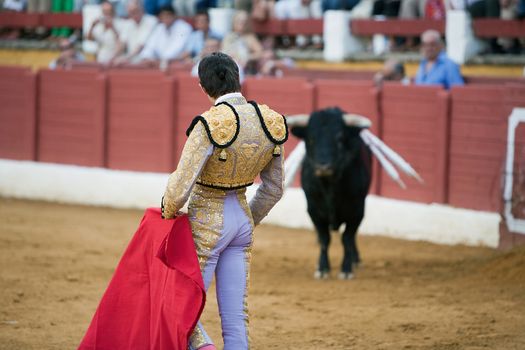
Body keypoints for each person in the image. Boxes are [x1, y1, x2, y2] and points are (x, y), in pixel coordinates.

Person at [162, 52, 287, 350]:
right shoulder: (270, 121)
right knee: (235, 316)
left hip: (206, 224)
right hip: (242, 222)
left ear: (204, 87)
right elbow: (274, 188)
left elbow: (180, 187)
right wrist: (247, 219)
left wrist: (166, 211)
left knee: (180, 313)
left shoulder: (209, 124)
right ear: (237, 78)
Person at [114, 0, 157, 65]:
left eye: (135, 11)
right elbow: (122, 43)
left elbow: (141, 45)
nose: (133, 14)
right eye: (131, 12)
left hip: (148, 62)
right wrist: (113, 57)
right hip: (132, 61)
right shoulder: (128, 23)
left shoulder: (151, 21)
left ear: (142, 9)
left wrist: (126, 58)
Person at [221, 10, 263, 74]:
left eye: (244, 21)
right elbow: (224, 51)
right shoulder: (228, 37)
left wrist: (248, 57)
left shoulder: (250, 38)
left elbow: (260, 53)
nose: (242, 23)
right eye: (239, 21)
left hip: (244, 69)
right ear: (234, 22)